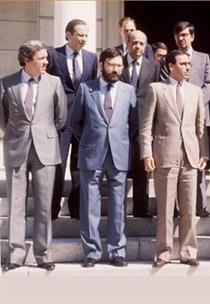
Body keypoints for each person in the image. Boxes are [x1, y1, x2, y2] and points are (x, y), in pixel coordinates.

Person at [0, 40, 67, 271]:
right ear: (27, 60)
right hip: (16, 149)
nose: (46, 62)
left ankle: (43, 253)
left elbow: (61, 117)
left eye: (46, 58)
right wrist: (17, 134)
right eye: (41, 58)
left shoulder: (54, 83)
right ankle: (15, 255)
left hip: (45, 150)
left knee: (44, 205)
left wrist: (44, 134)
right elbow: (3, 118)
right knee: (16, 203)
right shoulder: (7, 84)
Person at [140, 50, 208, 268]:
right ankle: (164, 252)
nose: (188, 67)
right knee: (166, 208)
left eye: (189, 63)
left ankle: (188, 251)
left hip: (190, 156)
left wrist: (204, 152)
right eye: (183, 63)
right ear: (170, 66)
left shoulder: (196, 91)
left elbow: (200, 126)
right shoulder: (156, 89)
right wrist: (146, 153)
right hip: (165, 155)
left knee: (189, 207)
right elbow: (146, 125)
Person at [70, 48, 136, 268]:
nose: (115, 69)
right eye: (111, 65)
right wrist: (90, 139)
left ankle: (117, 250)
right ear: (102, 65)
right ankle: (92, 252)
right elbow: (74, 122)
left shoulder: (128, 90)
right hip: (91, 154)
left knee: (118, 205)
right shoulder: (85, 89)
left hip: (118, 154)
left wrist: (120, 139)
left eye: (119, 65)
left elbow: (134, 123)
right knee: (89, 205)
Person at [161, 21, 210, 217]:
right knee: (176, 162)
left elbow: (209, 83)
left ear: (192, 37)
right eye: (178, 35)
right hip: (175, 118)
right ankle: (176, 207)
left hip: (199, 117)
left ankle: (200, 205)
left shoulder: (204, 58)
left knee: (198, 160)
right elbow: (164, 83)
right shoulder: (169, 59)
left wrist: (196, 103)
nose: (181, 39)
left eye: (184, 35)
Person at [46, 19, 98, 220]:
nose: (84, 39)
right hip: (59, 120)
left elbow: (92, 89)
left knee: (79, 165)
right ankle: (52, 209)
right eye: (80, 35)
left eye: (86, 35)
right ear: (68, 35)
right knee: (57, 165)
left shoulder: (92, 58)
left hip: (83, 121)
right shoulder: (53, 56)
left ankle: (77, 209)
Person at [119, 30, 161, 218]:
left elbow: (159, 95)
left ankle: (141, 209)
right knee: (119, 168)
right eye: (134, 42)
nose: (138, 47)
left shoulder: (154, 67)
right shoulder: (117, 64)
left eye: (142, 44)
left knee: (141, 168)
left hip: (143, 123)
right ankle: (118, 209)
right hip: (120, 123)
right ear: (127, 43)